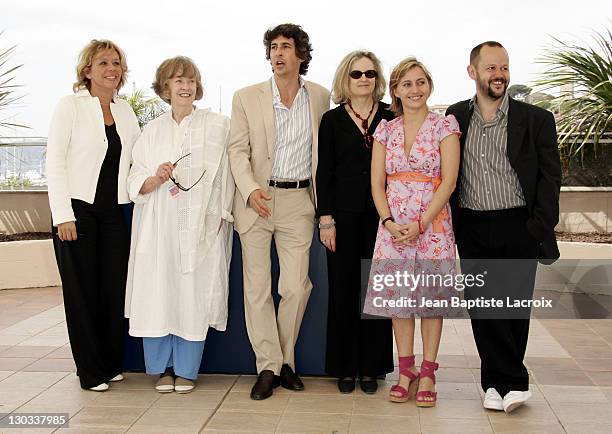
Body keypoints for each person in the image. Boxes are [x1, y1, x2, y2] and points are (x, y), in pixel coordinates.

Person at [446, 41, 561, 413]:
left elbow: (550, 177)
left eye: (504, 68)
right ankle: (504, 382)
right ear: (472, 72)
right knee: (482, 307)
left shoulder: (536, 119)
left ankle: (501, 383)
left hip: (518, 225)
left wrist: (539, 225)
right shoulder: (455, 117)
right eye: (491, 68)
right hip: (473, 225)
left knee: (512, 307)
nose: (499, 75)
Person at [228, 23, 330, 400]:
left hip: (299, 201)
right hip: (256, 199)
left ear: (301, 54)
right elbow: (236, 150)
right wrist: (251, 189)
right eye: (273, 47)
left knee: (295, 287)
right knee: (256, 289)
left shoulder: (319, 96)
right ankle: (268, 366)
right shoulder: (245, 96)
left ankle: (285, 359)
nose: (278, 53)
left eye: (286, 46)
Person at [125, 56, 234, 394]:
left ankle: (186, 369)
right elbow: (133, 179)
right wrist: (153, 178)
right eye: (177, 80)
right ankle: (161, 369)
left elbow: (227, 175)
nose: (185, 86)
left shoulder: (217, 125)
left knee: (191, 291)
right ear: (165, 88)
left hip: (200, 225)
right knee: (158, 290)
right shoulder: (152, 131)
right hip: (158, 224)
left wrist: (220, 215)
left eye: (190, 80)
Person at [362, 58, 461, 407]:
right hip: (392, 227)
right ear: (396, 91)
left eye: (421, 82)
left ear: (429, 86)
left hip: (432, 224)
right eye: (407, 84)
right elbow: (376, 183)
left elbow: (448, 181)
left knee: (430, 301)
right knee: (399, 301)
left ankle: (429, 370)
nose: (415, 89)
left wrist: (421, 223)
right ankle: (406, 370)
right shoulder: (385, 130)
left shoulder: (444, 126)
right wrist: (389, 222)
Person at [46, 39, 140, 391]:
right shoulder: (70, 106)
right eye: (103, 63)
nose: (111, 69)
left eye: (116, 63)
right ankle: (90, 371)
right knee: (81, 294)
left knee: (112, 291)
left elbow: (136, 161)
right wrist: (62, 216)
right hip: (76, 212)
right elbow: (54, 162)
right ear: (87, 71)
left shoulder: (126, 111)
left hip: (114, 213)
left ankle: (110, 363)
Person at [316, 50, 394, 394]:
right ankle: (345, 368)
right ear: (345, 80)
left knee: (377, 293)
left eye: (370, 74)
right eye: (356, 74)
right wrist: (326, 219)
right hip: (343, 219)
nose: (364, 79)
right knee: (344, 291)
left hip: (383, 219)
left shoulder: (392, 117)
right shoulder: (331, 121)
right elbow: (325, 173)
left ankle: (371, 368)